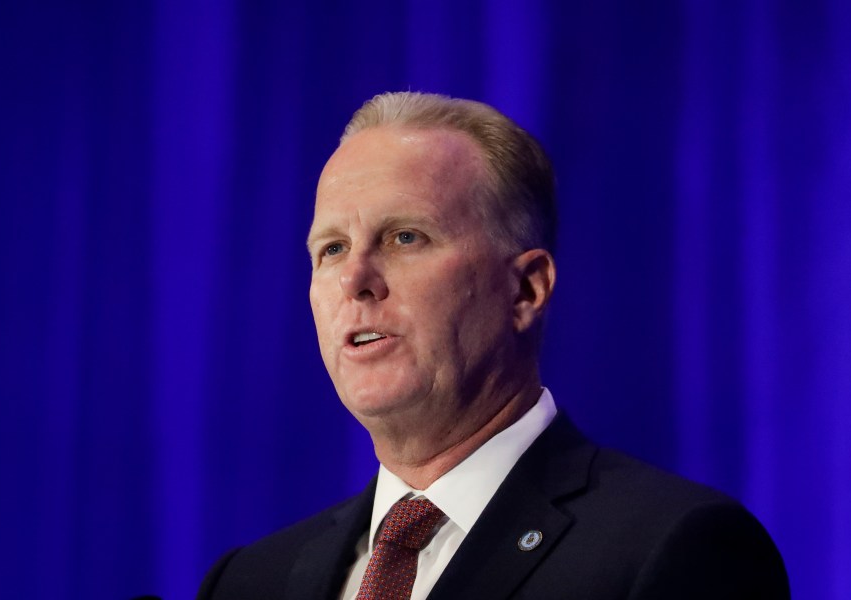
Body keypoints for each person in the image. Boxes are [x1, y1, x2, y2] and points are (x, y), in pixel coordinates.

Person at [197, 92, 789, 599]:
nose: (355, 279)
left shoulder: (674, 549)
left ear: (526, 289)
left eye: (405, 236)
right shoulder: (251, 580)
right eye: (330, 249)